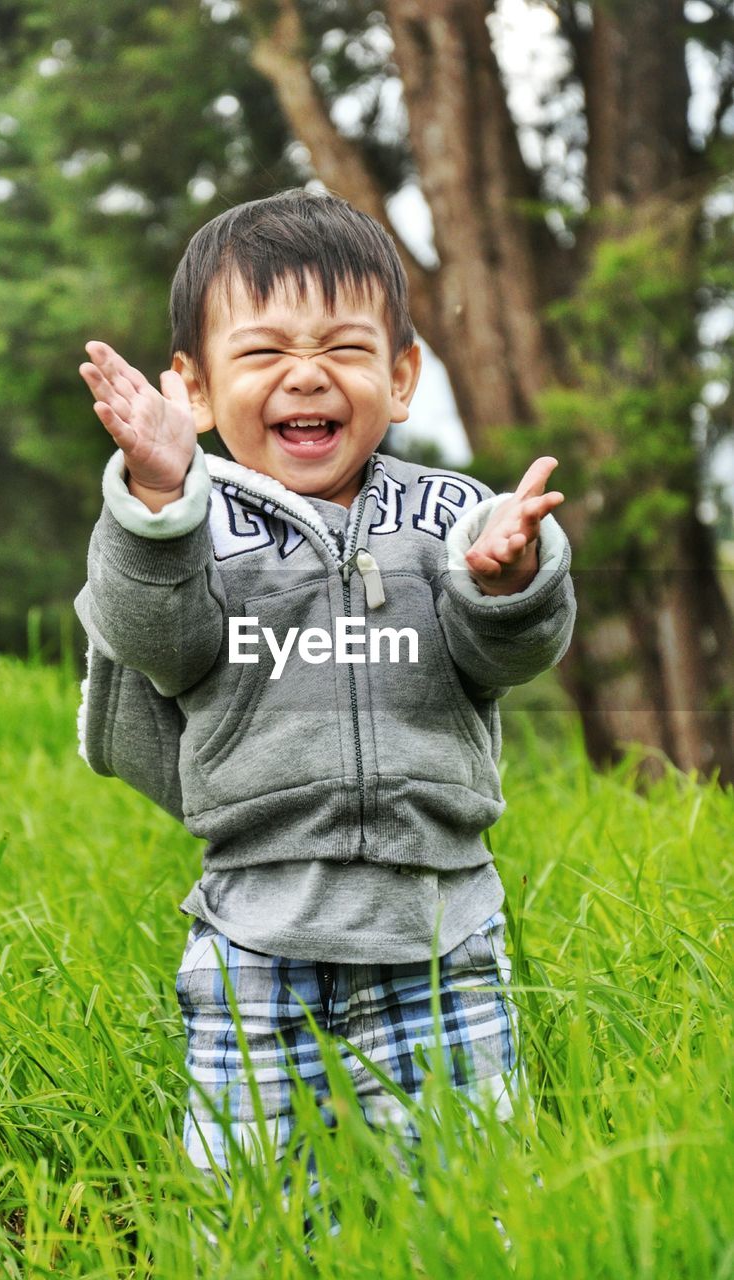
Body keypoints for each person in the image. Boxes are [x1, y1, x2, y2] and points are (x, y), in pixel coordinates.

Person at [74, 188, 575, 1195]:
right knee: (248, 1205)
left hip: (442, 929)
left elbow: (511, 657)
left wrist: (507, 579)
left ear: (399, 378)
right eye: (262, 353)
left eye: (345, 350)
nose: (307, 375)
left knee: (467, 1201)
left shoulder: (451, 516)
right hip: (256, 928)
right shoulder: (187, 523)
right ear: (195, 388)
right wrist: (161, 503)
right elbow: (154, 640)